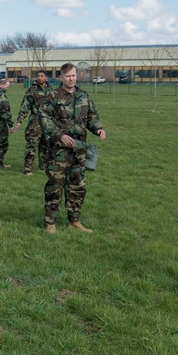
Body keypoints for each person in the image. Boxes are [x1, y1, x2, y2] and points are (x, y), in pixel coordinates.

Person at [38, 63, 106, 234]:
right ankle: (50, 222)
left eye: (74, 75)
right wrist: (59, 135)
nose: (71, 79)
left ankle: (74, 221)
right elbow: (44, 117)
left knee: (78, 186)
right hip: (59, 151)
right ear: (61, 77)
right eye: (68, 76)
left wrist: (98, 128)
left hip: (79, 149)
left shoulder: (83, 96)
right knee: (55, 185)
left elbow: (92, 116)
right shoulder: (53, 96)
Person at [11, 70, 50, 176]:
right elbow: (25, 106)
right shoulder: (32, 90)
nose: (40, 78)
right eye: (38, 76)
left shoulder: (51, 90)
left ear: (46, 77)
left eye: (42, 76)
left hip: (48, 122)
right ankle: (28, 169)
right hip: (35, 121)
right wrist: (19, 121)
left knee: (46, 145)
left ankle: (43, 166)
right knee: (32, 145)